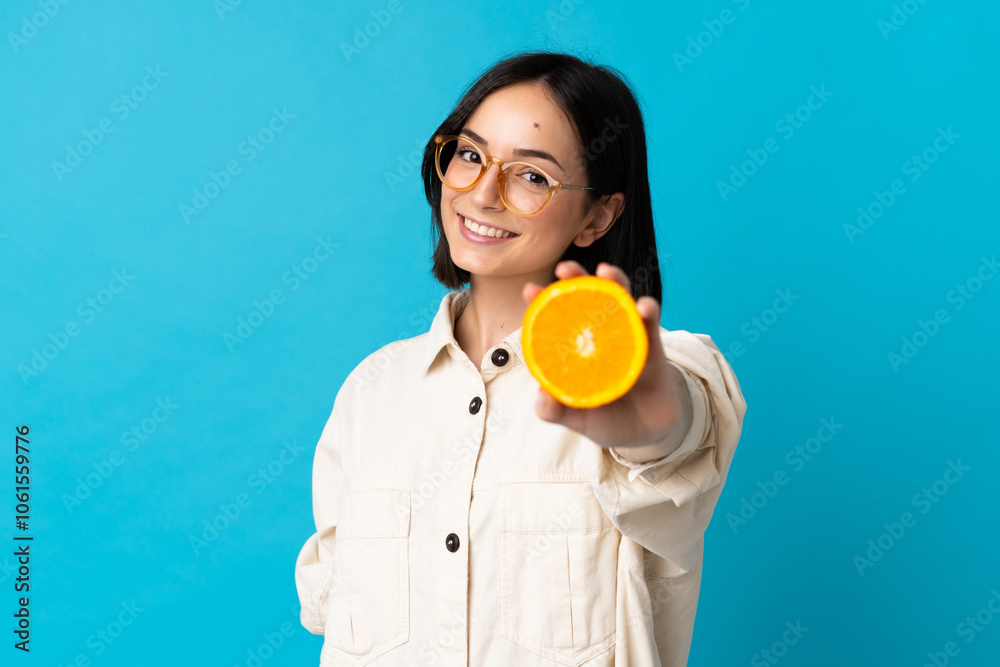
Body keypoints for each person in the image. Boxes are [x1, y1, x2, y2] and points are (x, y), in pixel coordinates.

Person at [294, 50, 747, 667]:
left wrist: (650, 427)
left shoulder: (656, 368)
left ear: (598, 216)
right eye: (471, 155)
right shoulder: (372, 390)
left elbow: (680, 428)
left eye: (533, 176)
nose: (482, 193)